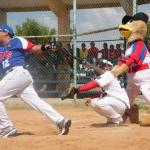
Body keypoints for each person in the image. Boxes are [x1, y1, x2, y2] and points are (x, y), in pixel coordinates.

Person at [0, 25, 71, 137]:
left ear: (6, 33)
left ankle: (7, 127)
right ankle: (61, 121)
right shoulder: (1, 49)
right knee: (37, 103)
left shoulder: (16, 40)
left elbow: (33, 48)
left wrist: (45, 47)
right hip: (16, 78)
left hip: (18, 73)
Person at [61, 60, 130, 125]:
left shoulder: (109, 74)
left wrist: (77, 90)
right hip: (117, 102)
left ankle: (117, 119)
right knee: (92, 102)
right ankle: (111, 119)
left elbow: (94, 84)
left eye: (102, 66)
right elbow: (105, 94)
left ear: (107, 68)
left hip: (120, 103)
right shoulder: (110, 75)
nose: (100, 67)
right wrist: (92, 98)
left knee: (100, 104)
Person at [111, 12, 150, 121]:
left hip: (144, 77)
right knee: (127, 99)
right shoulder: (130, 45)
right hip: (132, 79)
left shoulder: (140, 44)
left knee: (147, 93)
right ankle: (131, 115)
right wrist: (115, 68)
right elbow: (124, 59)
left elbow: (133, 59)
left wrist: (121, 70)